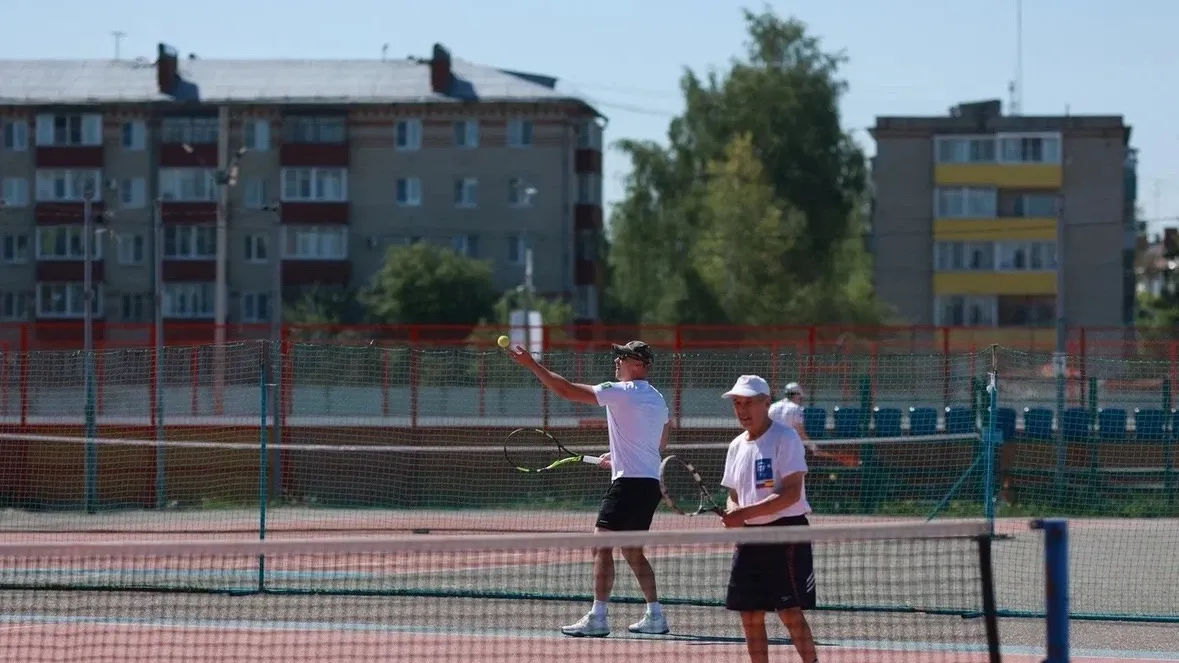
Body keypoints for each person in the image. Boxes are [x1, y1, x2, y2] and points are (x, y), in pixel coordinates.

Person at [505, 340, 671, 638]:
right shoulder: (657, 398)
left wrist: (531, 365)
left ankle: (598, 617)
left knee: (601, 545)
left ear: (639, 365)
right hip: (649, 483)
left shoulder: (622, 391)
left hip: (629, 483)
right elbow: (660, 442)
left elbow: (566, 390)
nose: (616, 361)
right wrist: (619, 454)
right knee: (632, 551)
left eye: (623, 357)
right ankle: (655, 616)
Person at [719, 374, 818, 663]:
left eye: (749, 403)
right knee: (749, 614)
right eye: (737, 403)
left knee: (789, 612)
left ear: (766, 403)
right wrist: (734, 512)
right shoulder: (736, 445)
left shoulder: (785, 438)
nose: (742, 410)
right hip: (749, 539)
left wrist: (743, 514)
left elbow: (790, 494)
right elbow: (734, 493)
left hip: (785, 534)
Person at [768, 382, 814, 452]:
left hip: (771, 447)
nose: (800, 400)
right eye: (800, 398)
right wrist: (813, 447)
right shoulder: (796, 408)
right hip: (789, 448)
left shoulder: (772, 407)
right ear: (797, 395)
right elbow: (800, 432)